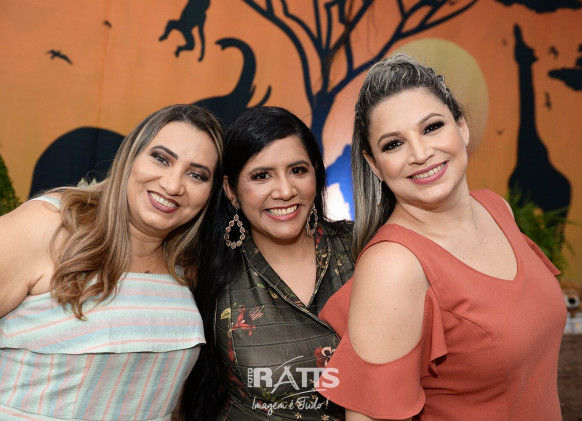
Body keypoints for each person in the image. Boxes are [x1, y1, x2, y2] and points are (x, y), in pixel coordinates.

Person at [316, 54, 566, 421]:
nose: (420, 154)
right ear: (374, 165)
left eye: (432, 127)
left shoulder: (496, 208)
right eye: (393, 144)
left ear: (461, 127)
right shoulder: (393, 266)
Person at [0, 104, 223, 421]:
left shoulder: (190, 267)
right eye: (161, 158)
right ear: (130, 156)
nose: (173, 185)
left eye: (196, 174)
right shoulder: (49, 226)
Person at [181, 106, 355, 420]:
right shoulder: (205, 272)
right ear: (231, 191)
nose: (286, 191)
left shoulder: (363, 248)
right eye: (261, 176)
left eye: (298, 170)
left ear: (316, 173)